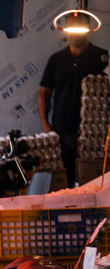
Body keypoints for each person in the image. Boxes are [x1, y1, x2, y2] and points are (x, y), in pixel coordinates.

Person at [39, 12, 109, 187]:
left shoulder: (102, 58)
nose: (74, 33)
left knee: (93, 184)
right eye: (71, 29)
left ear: (88, 30)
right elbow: (43, 93)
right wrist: (45, 124)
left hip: (95, 135)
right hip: (61, 131)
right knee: (64, 183)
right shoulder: (56, 60)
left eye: (79, 29)